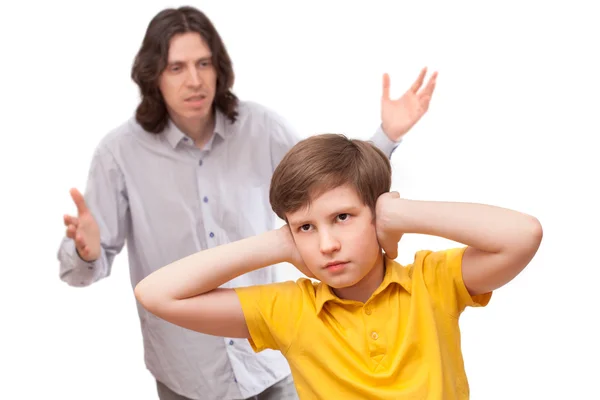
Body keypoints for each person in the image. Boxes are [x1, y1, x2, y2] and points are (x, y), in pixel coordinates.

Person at [57, 5, 438, 400]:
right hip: (186, 373)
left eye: (204, 63)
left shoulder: (263, 128)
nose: (195, 80)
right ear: (152, 75)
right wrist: (85, 252)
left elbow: (331, 189)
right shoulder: (119, 153)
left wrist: (386, 137)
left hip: (270, 362)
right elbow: (83, 272)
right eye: (177, 67)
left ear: (219, 67)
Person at [134, 133, 543, 399]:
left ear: (376, 214)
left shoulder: (432, 281)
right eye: (306, 227)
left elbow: (522, 235)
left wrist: (402, 215)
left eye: (342, 218)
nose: (327, 245)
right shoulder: (289, 309)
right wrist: (276, 244)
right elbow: (156, 294)